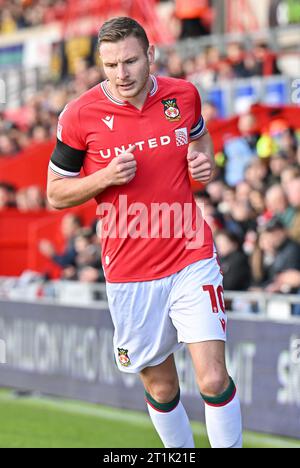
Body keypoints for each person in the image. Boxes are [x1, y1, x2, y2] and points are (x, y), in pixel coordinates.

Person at [47, 17, 242, 449]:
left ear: (150, 55)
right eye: (111, 65)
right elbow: (56, 194)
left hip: (190, 253)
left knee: (212, 376)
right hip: (130, 270)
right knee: (162, 388)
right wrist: (104, 178)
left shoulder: (183, 96)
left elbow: (201, 142)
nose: (122, 74)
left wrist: (203, 163)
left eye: (131, 61)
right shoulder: (80, 115)